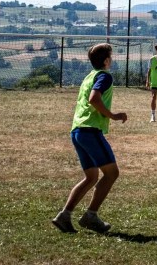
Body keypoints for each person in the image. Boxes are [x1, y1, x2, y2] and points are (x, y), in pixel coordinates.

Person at [52, 43, 127, 234]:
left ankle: (64, 215)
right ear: (106, 60)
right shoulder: (104, 76)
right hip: (90, 131)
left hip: (77, 131)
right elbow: (94, 98)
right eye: (111, 56)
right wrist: (113, 115)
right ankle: (90, 216)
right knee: (111, 174)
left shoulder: (89, 76)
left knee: (91, 176)